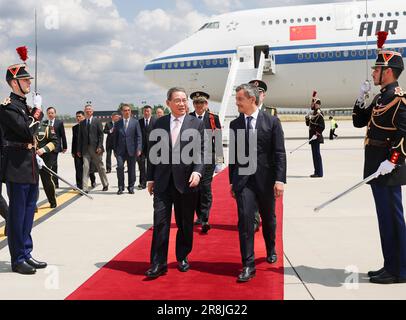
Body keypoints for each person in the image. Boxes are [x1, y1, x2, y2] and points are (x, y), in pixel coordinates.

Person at [353, 44, 406, 284]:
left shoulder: (399, 99)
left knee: (393, 219)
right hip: (376, 167)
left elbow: (404, 135)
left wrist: (392, 161)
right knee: (384, 219)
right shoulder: (380, 97)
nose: (373, 73)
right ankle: (390, 265)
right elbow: (358, 122)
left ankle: (400, 270)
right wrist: (360, 96)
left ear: (388, 72)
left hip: (387, 169)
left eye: (377, 69)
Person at [229, 83, 286, 282]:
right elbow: (233, 156)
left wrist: (279, 180)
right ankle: (248, 265)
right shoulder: (235, 124)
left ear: (252, 100)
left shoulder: (271, 122)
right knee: (245, 221)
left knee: (268, 218)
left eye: (240, 99)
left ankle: (271, 247)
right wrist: (232, 181)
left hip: (267, 181)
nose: (236, 103)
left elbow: (279, 153)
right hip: (244, 182)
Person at [145, 87, 204, 279]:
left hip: (186, 182)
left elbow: (203, 151)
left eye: (184, 100)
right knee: (160, 222)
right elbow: (152, 153)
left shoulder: (196, 123)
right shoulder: (159, 123)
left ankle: (182, 256)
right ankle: (158, 263)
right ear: (168, 103)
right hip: (162, 182)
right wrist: (150, 178)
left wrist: (198, 171)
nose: (182, 104)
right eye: (177, 100)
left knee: (185, 223)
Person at [0, 55, 47, 274]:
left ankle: (26, 252)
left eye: (28, 80)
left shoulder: (24, 106)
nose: (29, 83)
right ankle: (17, 258)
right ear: (14, 83)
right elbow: (28, 130)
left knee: (29, 212)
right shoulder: (7, 107)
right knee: (17, 215)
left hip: (29, 165)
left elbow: (33, 134)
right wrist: (37, 110)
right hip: (16, 167)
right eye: (25, 80)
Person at [189, 91, 224, 234]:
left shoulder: (212, 118)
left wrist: (219, 161)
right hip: (192, 160)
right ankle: (199, 215)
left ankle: (205, 218)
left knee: (205, 188)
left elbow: (218, 140)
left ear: (206, 104)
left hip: (209, 159)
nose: (199, 105)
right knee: (195, 189)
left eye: (202, 102)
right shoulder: (188, 118)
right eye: (196, 103)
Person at [249, 79, 276, 234]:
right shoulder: (242, 116)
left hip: (265, 168)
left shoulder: (270, 116)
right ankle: (253, 220)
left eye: (259, 93)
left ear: (263, 96)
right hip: (248, 167)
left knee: (266, 206)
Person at [77, 104, 109, 193]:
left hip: (96, 149)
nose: (88, 111)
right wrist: (79, 150)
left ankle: (105, 184)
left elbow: (101, 135)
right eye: (86, 110)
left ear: (92, 111)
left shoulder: (97, 121)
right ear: (84, 111)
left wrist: (99, 146)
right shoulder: (82, 123)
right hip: (85, 149)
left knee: (100, 167)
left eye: (89, 110)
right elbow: (80, 137)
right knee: (86, 167)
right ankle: (85, 188)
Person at [114, 104, 142, 195]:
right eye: (125, 110)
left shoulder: (135, 122)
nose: (127, 112)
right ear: (122, 112)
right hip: (120, 151)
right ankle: (120, 187)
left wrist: (138, 148)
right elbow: (115, 137)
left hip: (132, 150)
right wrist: (115, 150)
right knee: (120, 167)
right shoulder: (118, 123)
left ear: (130, 111)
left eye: (129, 110)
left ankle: (131, 187)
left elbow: (139, 136)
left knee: (131, 169)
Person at [35, 119, 58, 208]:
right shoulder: (25, 128)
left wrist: (43, 149)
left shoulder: (47, 128)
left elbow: (54, 142)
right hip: (30, 159)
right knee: (32, 183)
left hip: (44, 159)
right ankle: (33, 204)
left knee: (47, 181)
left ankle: (52, 200)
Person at [72, 111, 96, 189]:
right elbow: (74, 140)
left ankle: (93, 180)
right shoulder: (74, 128)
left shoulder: (88, 126)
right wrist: (73, 151)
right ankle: (79, 185)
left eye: (80, 116)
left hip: (86, 151)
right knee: (78, 168)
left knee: (89, 168)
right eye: (77, 117)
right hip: (77, 151)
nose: (78, 118)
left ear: (84, 117)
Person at [46, 107, 67, 188]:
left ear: (55, 114)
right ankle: (48, 182)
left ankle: (56, 183)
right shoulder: (45, 123)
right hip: (46, 147)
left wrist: (64, 146)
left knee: (54, 165)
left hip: (55, 147)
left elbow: (63, 135)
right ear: (47, 114)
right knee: (47, 165)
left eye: (52, 113)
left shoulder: (59, 123)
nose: (50, 114)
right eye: (49, 113)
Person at [305, 97, 325, 178]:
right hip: (312, 137)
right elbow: (308, 124)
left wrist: (317, 134)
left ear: (318, 105)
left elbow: (322, 126)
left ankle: (319, 173)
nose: (313, 105)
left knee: (317, 155)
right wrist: (307, 118)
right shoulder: (313, 113)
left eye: (315, 103)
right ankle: (316, 172)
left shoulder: (319, 113)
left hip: (316, 137)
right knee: (314, 155)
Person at [137, 105, 156, 190]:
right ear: (143, 112)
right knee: (141, 166)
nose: (146, 112)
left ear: (151, 112)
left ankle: (153, 182)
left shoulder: (155, 121)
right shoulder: (139, 122)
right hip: (142, 148)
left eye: (148, 111)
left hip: (153, 148)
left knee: (152, 166)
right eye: (145, 111)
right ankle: (142, 183)